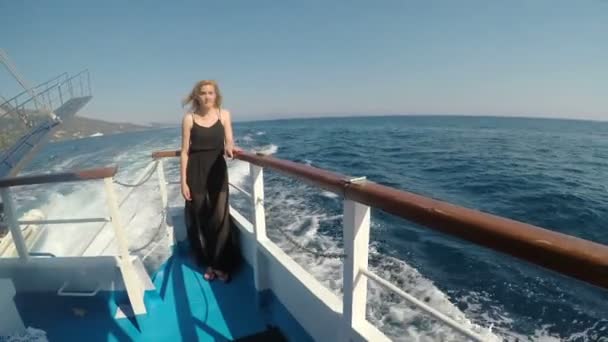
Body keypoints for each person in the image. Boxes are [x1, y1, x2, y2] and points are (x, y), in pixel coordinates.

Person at [181, 80, 242, 282]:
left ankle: (222, 264)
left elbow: (229, 139)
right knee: (201, 219)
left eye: (211, 93)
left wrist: (230, 146)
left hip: (217, 169)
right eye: (203, 93)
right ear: (197, 96)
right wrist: (183, 182)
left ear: (216, 95)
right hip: (195, 171)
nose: (207, 96)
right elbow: (184, 151)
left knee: (220, 219)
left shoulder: (224, 114)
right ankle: (209, 263)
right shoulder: (189, 118)